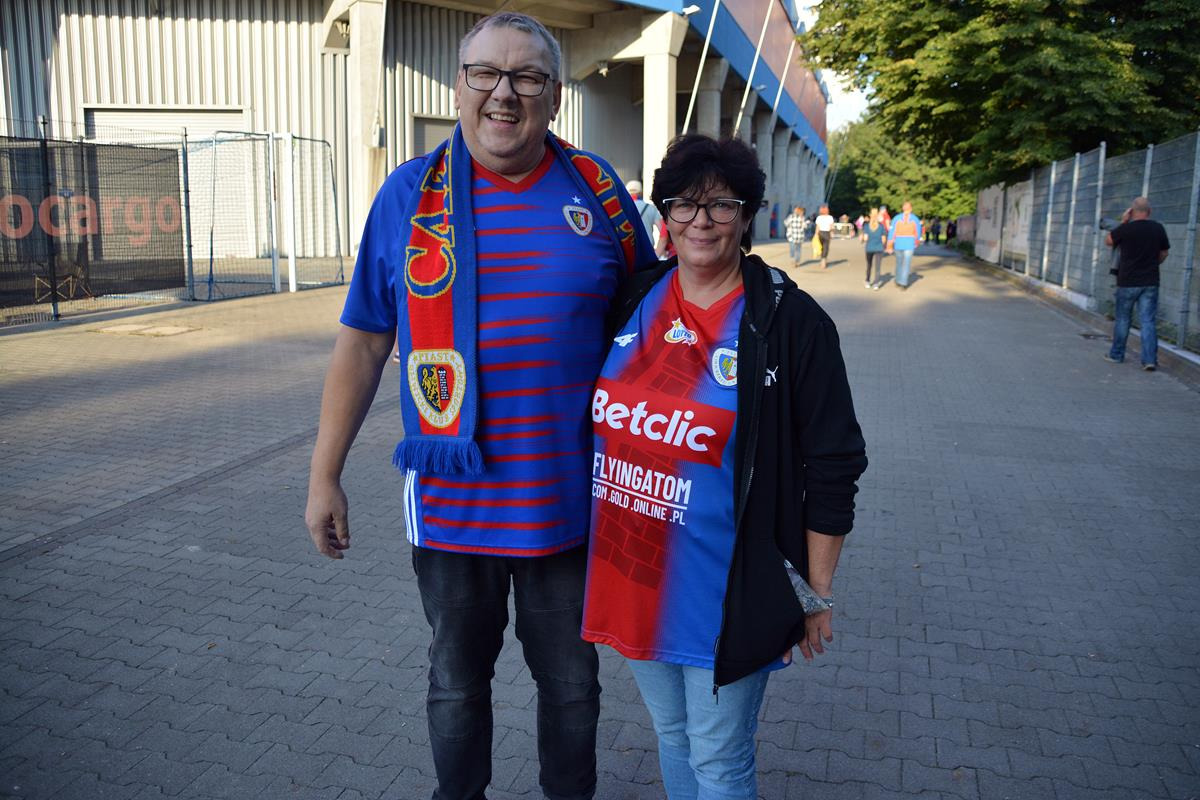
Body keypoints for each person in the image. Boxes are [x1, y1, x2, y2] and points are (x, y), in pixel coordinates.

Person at [303, 13, 655, 800]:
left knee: (572, 687)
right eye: (485, 74)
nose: (504, 93)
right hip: (454, 507)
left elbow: (653, 330)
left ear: (554, 95)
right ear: (459, 87)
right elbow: (363, 342)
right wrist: (324, 475)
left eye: (526, 76)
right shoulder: (407, 197)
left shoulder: (598, 193)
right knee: (456, 685)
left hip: (570, 505)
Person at [582, 134, 868, 800]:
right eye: (684, 204)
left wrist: (815, 591)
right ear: (665, 215)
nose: (701, 221)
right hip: (634, 577)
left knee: (718, 758)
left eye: (721, 205)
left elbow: (835, 463)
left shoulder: (792, 323)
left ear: (747, 215)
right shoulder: (635, 296)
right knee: (674, 736)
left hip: (726, 589)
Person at [1104, 196, 1169, 370]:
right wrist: (1154, 263)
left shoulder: (1126, 228)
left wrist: (1123, 221)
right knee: (1148, 321)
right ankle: (1149, 360)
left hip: (1127, 281)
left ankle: (1117, 355)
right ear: (1150, 211)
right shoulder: (1158, 228)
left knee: (1123, 319)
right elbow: (1164, 252)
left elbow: (1109, 241)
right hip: (1150, 281)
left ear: (1131, 211)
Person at [885, 200, 923, 290]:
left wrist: (889, 244)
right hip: (909, 243)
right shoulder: (915, 219)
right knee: (906, 263)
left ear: (903, 208)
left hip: (898, 242)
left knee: (899, 262)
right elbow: (918, 232)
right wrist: (917, 242)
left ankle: (898, 280)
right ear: (911, 209)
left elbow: (892, 232)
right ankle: (903, 282)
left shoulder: (896, 218)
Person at [628, 178, 663, 252]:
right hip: (648, 249)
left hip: (630, 249)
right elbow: (662, 231)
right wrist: (658, 253)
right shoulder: (651, 208)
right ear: (641, 192)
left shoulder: (622, 208)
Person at [861, 207, 887, 290]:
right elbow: (883, 240)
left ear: (870, 215)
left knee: (869, 265)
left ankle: (867, 281)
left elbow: (865, 239)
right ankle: (876, 283)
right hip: (879, 248)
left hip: (869, 248)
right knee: (878, 266)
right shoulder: (881, 226)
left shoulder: (866, 226)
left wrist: (862, 239)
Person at [814, 204, 835, 269]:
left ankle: (822, 260)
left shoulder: (819, 217)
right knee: (826, 247)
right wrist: (832, 233)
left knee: (821, 247)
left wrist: (816, 234)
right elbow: (831, 226)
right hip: (827, 233)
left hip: (820, 233)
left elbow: (817, 227)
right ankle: (823, 261)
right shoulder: (830, 217)